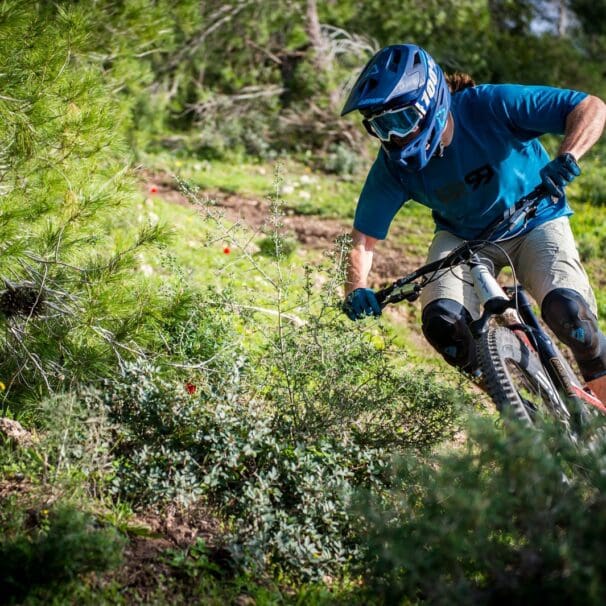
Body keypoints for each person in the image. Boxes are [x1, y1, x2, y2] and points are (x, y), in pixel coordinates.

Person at [340, 43, 606, 402]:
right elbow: (363, 239)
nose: (393, 138)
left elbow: (590, 106)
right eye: (380, 127)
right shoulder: (392, 167)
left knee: (571, 317)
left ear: (429, 102)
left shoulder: (490, 105)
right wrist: (356, 288)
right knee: (443, 325)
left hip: (536, 216)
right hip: (463, 239)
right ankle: (518, 409)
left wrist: (568, 155)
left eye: (399, 121)